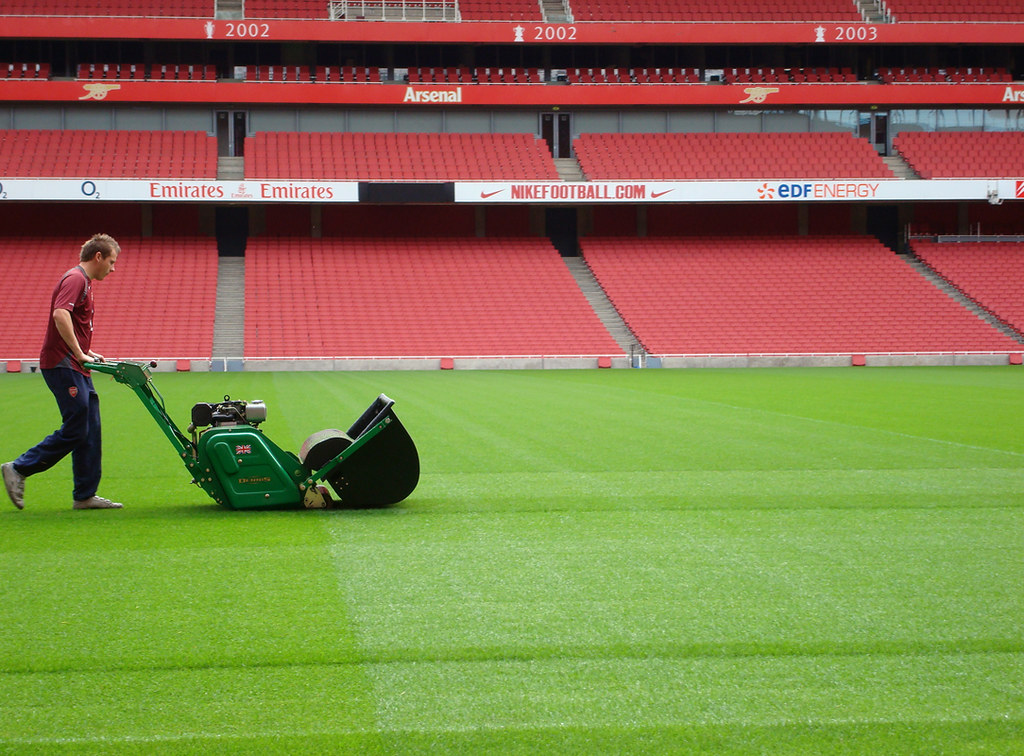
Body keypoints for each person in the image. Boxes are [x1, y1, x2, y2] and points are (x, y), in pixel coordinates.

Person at [3, 234, 123, 510]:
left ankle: (84, 495)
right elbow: (60, 314)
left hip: (77, 364)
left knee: (90, 428)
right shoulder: (75, 279)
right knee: (77, 427)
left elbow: (74, 323)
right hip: (63, 364)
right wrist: (79, 353)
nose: (113, 268)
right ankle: (19, 468)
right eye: (111, 261)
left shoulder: (86, 283)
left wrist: (88, 352)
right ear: (98, 257)